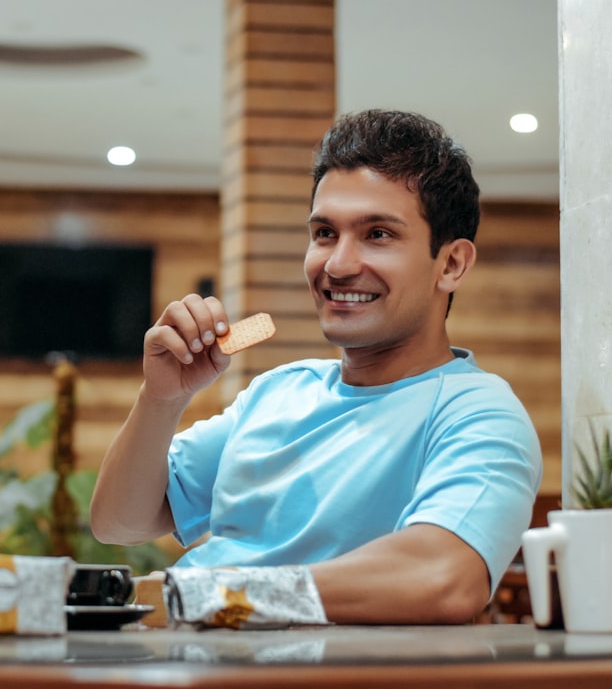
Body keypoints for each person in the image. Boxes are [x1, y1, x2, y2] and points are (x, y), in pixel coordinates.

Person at [90, 109, 543, 625]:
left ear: (452, 263)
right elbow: (117, 522)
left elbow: (442, 578)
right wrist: (161, 399)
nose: (338, 264)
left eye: (378, 234)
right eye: (325, 232)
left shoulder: (479, 413)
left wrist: (216, 594)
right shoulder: (278, 392)